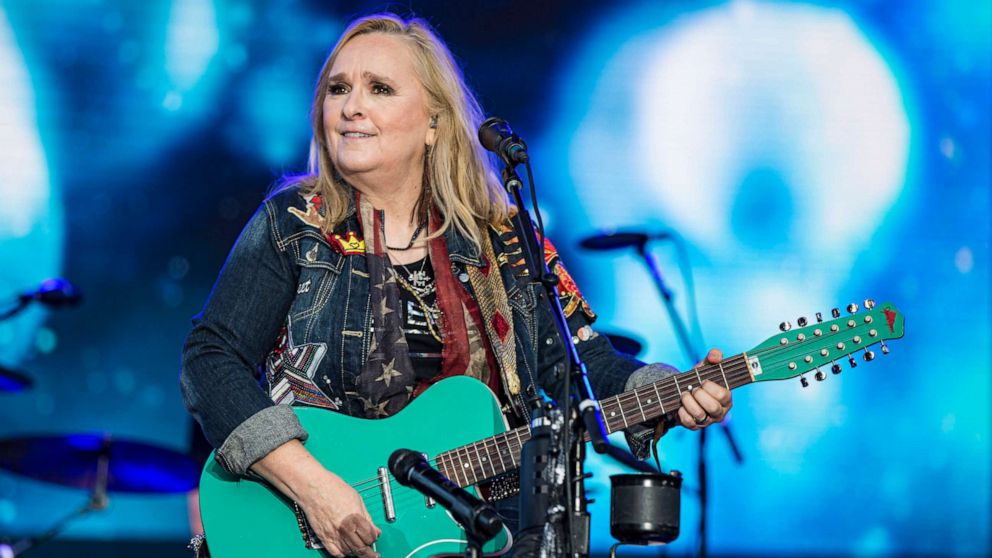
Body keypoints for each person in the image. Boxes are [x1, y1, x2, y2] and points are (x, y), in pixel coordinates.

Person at [180, 13, 731, 558]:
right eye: (337, 89)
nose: (351, 107)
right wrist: (313, 485)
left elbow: (580, 367)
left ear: (434, 123)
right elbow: (210, 359)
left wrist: (668, 389)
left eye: (380, 89)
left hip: (488, 532)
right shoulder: (296, 223)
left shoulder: (505, 237)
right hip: (324, 527)